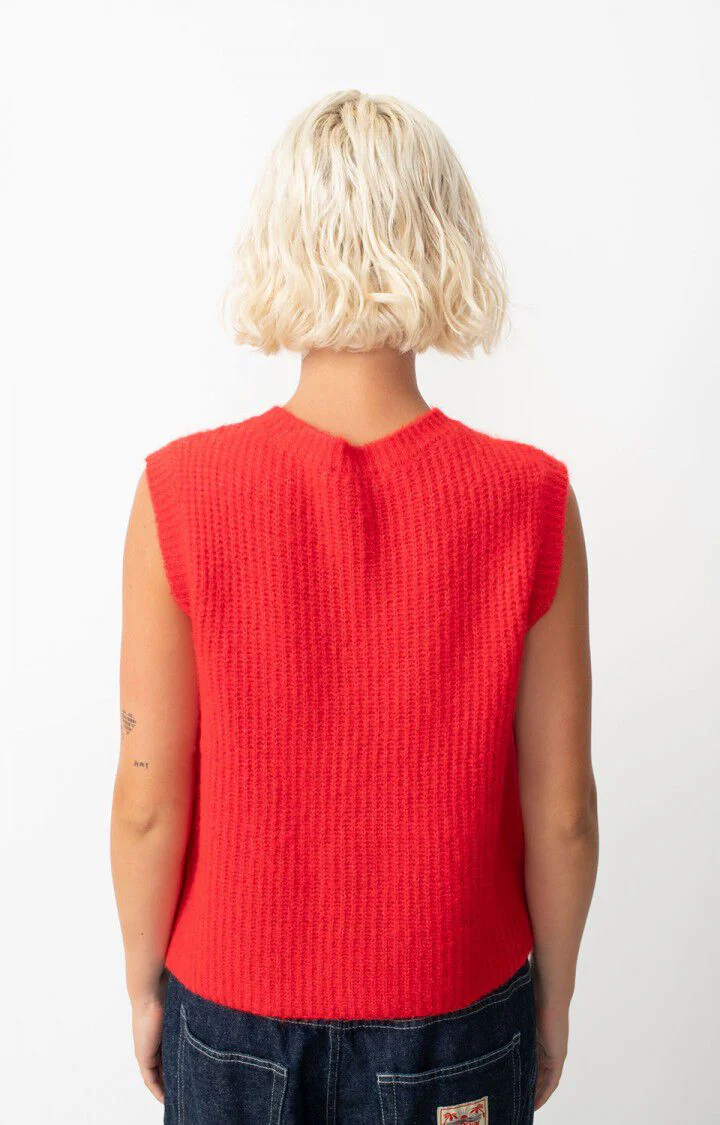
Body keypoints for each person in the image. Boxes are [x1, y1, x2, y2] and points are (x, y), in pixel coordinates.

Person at [111, 89, 598, 1124]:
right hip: (456, 1012)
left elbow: (148, 795)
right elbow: (562, 810)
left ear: (279, 242)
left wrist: (144, 984)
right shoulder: (531, 500)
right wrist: (553, 999)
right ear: (445, 241)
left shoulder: (179, 494)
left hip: (229, 1009)